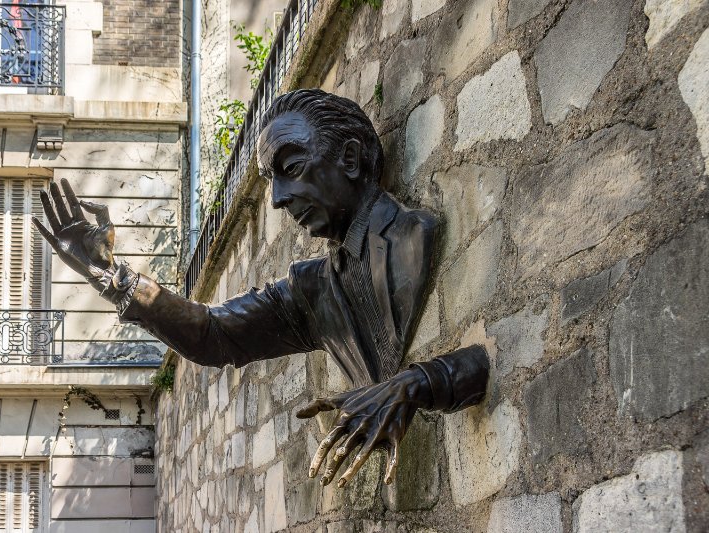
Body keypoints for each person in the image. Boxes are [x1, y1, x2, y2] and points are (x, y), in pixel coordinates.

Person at [33, 89, 488, 489]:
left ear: (349, 159)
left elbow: (497, 357)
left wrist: (418, 382)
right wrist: (116, 279)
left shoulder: (415, 234)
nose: (277, 199)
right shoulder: (311, 289)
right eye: (272, 181)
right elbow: (215, 333)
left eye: (291, 168)